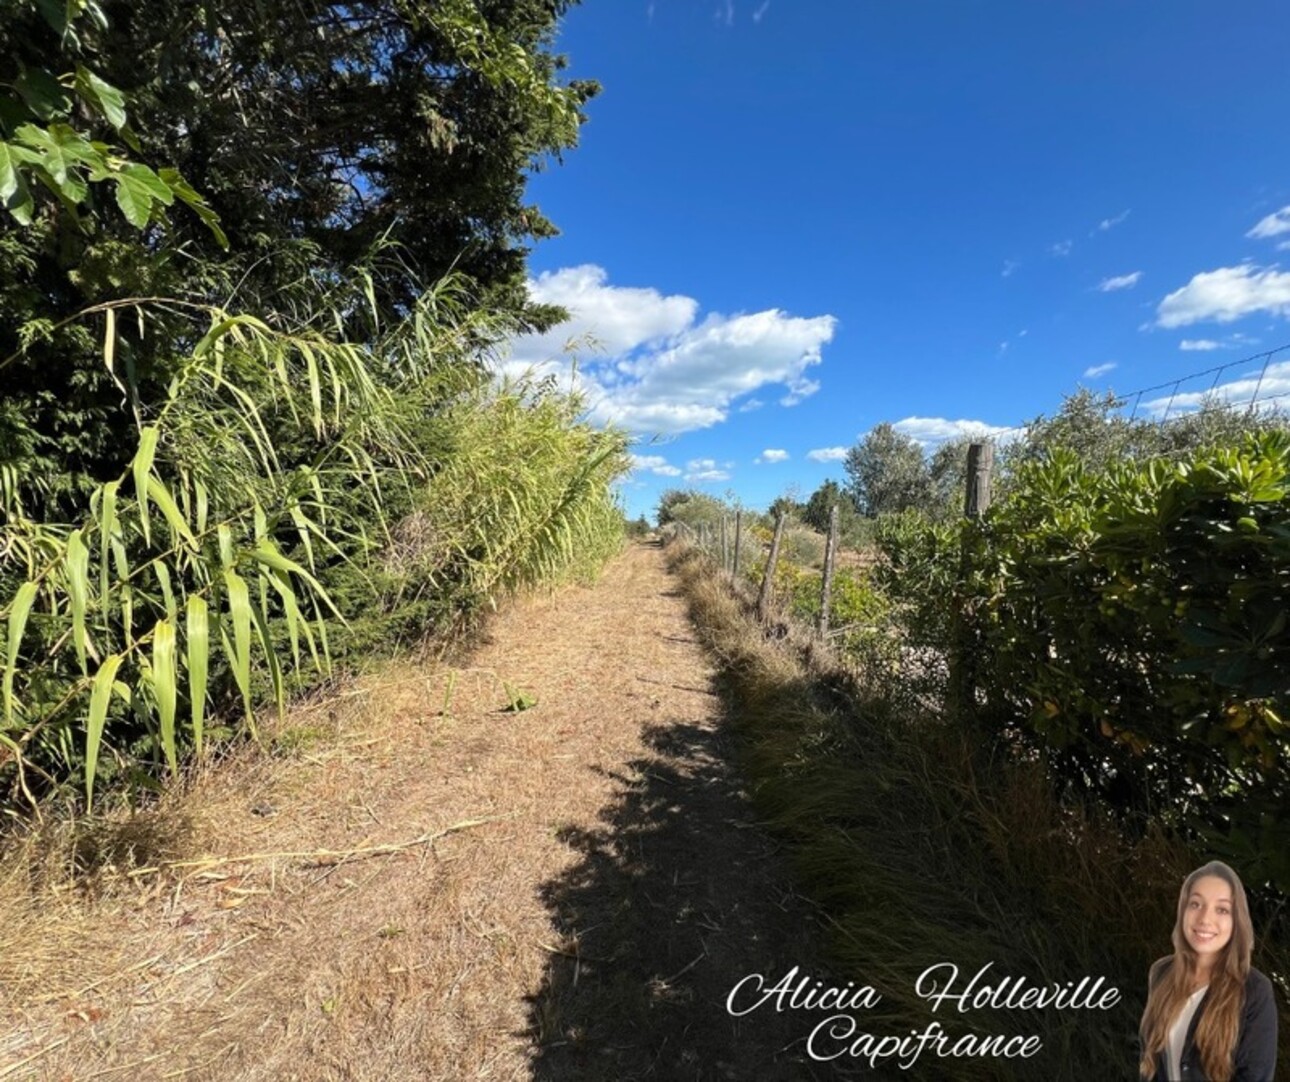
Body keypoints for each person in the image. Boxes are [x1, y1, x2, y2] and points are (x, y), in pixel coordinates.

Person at [1139, 861, 1278, 1081]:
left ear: (1236, 921)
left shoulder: (1255, 990)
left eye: (1221, 909)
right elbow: (1152, 1067)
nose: (1205, 919)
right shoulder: (1161, 973)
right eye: (1195, 904)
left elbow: (1255, 1076)